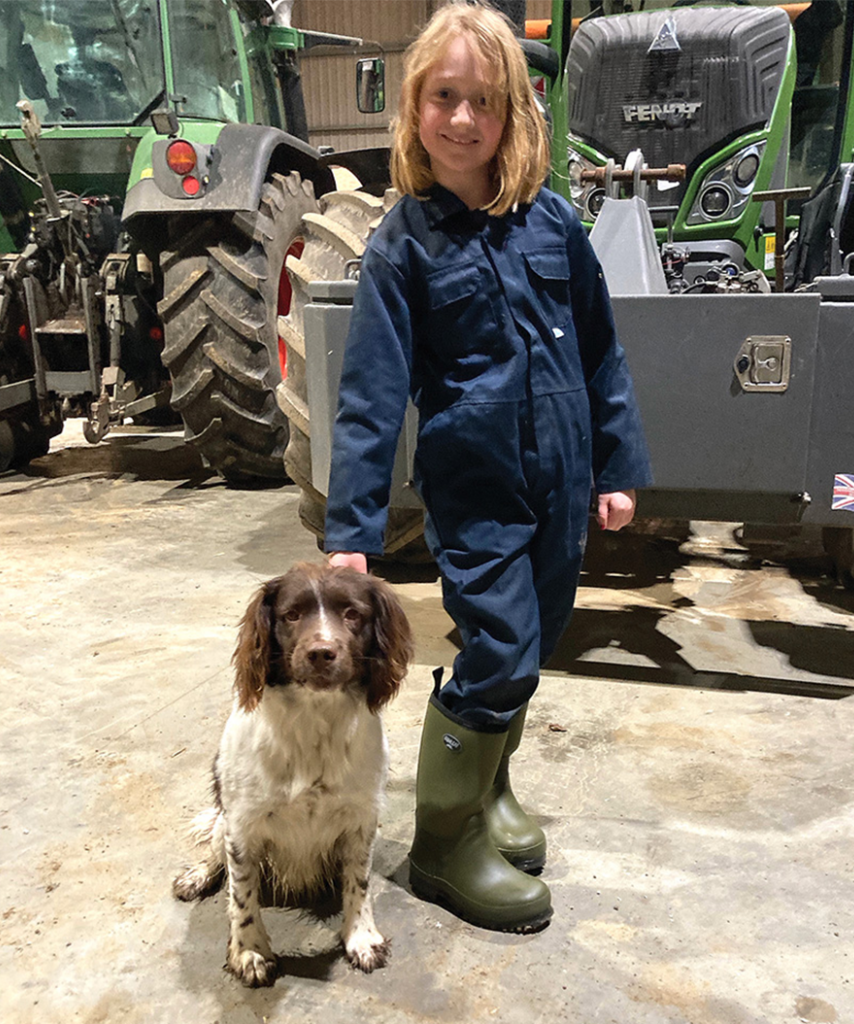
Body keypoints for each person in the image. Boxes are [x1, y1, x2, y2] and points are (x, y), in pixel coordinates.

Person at [325, 0, 651, 933]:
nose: (464, 120)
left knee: (534, 640)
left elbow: (601, 352)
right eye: (445, 97)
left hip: (562, 477)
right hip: (477, 488)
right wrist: (351, 532)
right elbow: (370, 397)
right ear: (414, 107)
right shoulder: (402, 247)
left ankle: (489, 795)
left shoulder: (550, 223)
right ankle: (442, 844)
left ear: (514, 114)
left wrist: (616, 465)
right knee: (499, 646)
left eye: (485, 101)